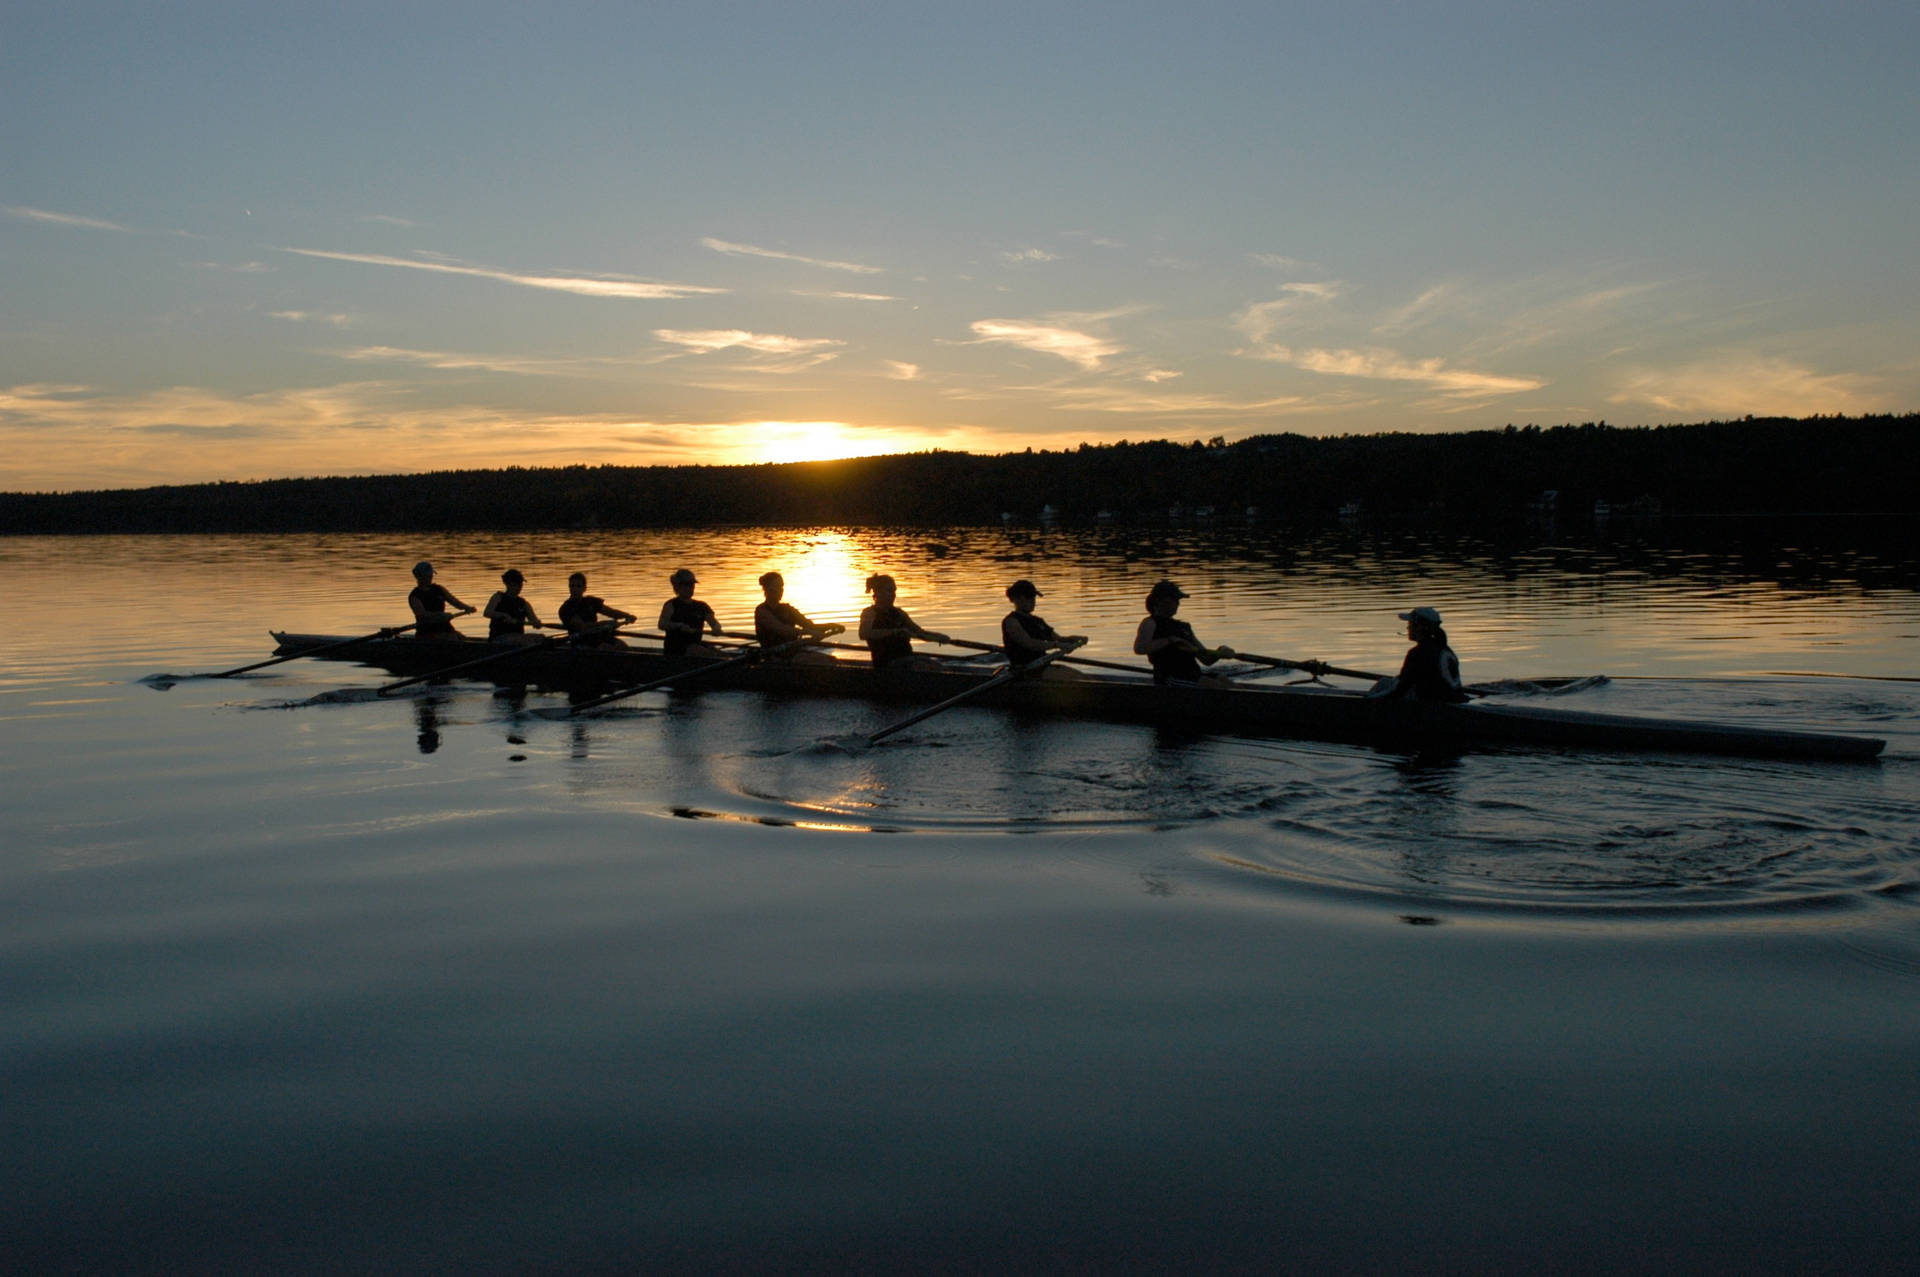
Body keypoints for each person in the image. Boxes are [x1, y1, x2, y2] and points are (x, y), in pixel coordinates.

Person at [1133, 579, 1233, 685]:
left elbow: (1205, 659)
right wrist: (1170, 640)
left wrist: (1220, 652)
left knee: (1224, 680)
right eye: (1174, 599)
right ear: (1159, 601)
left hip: (1193, 676)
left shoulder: (1184, 627)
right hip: (1169, 678)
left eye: (1178, 600)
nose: (1178, 604)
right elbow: (1140, 648)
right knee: (1209, 683)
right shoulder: (1150, 623)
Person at [1373, 606, 1469, 702]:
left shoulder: (1418, 653)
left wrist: (1370, 700)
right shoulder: (1445, 648)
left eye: (1410, 623)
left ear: (1419, 627)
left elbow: (1400, 690)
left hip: (1432, 707)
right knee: (1386, 682)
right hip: (1454, 699)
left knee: (1383, 684)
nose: (1407, 627)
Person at [858, 574, 949, 669]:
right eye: (889, 590)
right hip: (886, 663)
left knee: (940, 667)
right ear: (878, 592)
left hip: (907, 659)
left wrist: (939, 637)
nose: (893, 594)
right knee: (925, 667)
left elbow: (920, 632)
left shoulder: (900, 613)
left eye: (894, 591)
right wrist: (895, 632)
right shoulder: (869, 613)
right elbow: (864, 633)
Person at [1000, 579, 1086, 674]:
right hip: (1023, 670)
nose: (1033, 600)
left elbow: (1059, 639)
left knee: (1080, 676)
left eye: (1034, 597)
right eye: (1029, 596)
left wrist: (1074, 639)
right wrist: (1056, 645)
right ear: (1016, 599)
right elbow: (1029, 644)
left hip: (1041, 667)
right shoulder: (1012, 622)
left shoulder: (1038, 621)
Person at [754, 571, 841, 658]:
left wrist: (830, 626)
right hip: (773, 655)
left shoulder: (788, 609)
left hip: (792, 651)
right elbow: (783, 630)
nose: (781, 590)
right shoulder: (762, 611)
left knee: (829, 659)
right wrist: (808, 632)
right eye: (777, 586)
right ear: (767, 589)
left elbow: (810, 625)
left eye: (782, 586)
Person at [557, 572, 636, 648]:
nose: (575, 589)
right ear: (569, 587)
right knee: (605, 647)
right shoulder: (565, 609)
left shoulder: (590, 601)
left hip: (598, 637)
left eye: (578, 586)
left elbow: (612, 612)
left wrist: (627, 616)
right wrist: (605, 623)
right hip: (581, 641)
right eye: (572, 586)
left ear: (584, 589)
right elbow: (582, 627)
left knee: (622, 646)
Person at [658, 568, 723, 657]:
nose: (690, 588)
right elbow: (661, 624)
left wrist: (717, 628)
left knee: (720, 654)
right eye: (686, 585)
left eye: (692, 585)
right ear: (678, 587)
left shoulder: (702, 606)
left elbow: (714, 622)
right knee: (703, 652)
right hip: (676, 650)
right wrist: (678, 626)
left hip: (695, 645)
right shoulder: (671, 605)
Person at [408, 560, 475, 638]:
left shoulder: (439, 589)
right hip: (427, 630)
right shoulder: (415, 596)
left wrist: (467, 608)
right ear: (419, 577)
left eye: (431, 575)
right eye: (428, 575)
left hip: (444, 627)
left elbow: (455, 602)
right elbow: (422, 615)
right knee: (451, 638)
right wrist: (440, 615)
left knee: (462, 638)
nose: (431, 577)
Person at [483, 569, 544, 643]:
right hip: (499, 638)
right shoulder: (498, 597)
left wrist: (537, 623)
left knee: (541, 637)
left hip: (518, 638)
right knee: (520, 639)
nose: (519, 587)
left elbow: (534, 621)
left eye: (520, 584)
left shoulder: (524, 603)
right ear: (507, 584)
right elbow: (487, 613)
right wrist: (504, 615)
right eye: (516, 584)